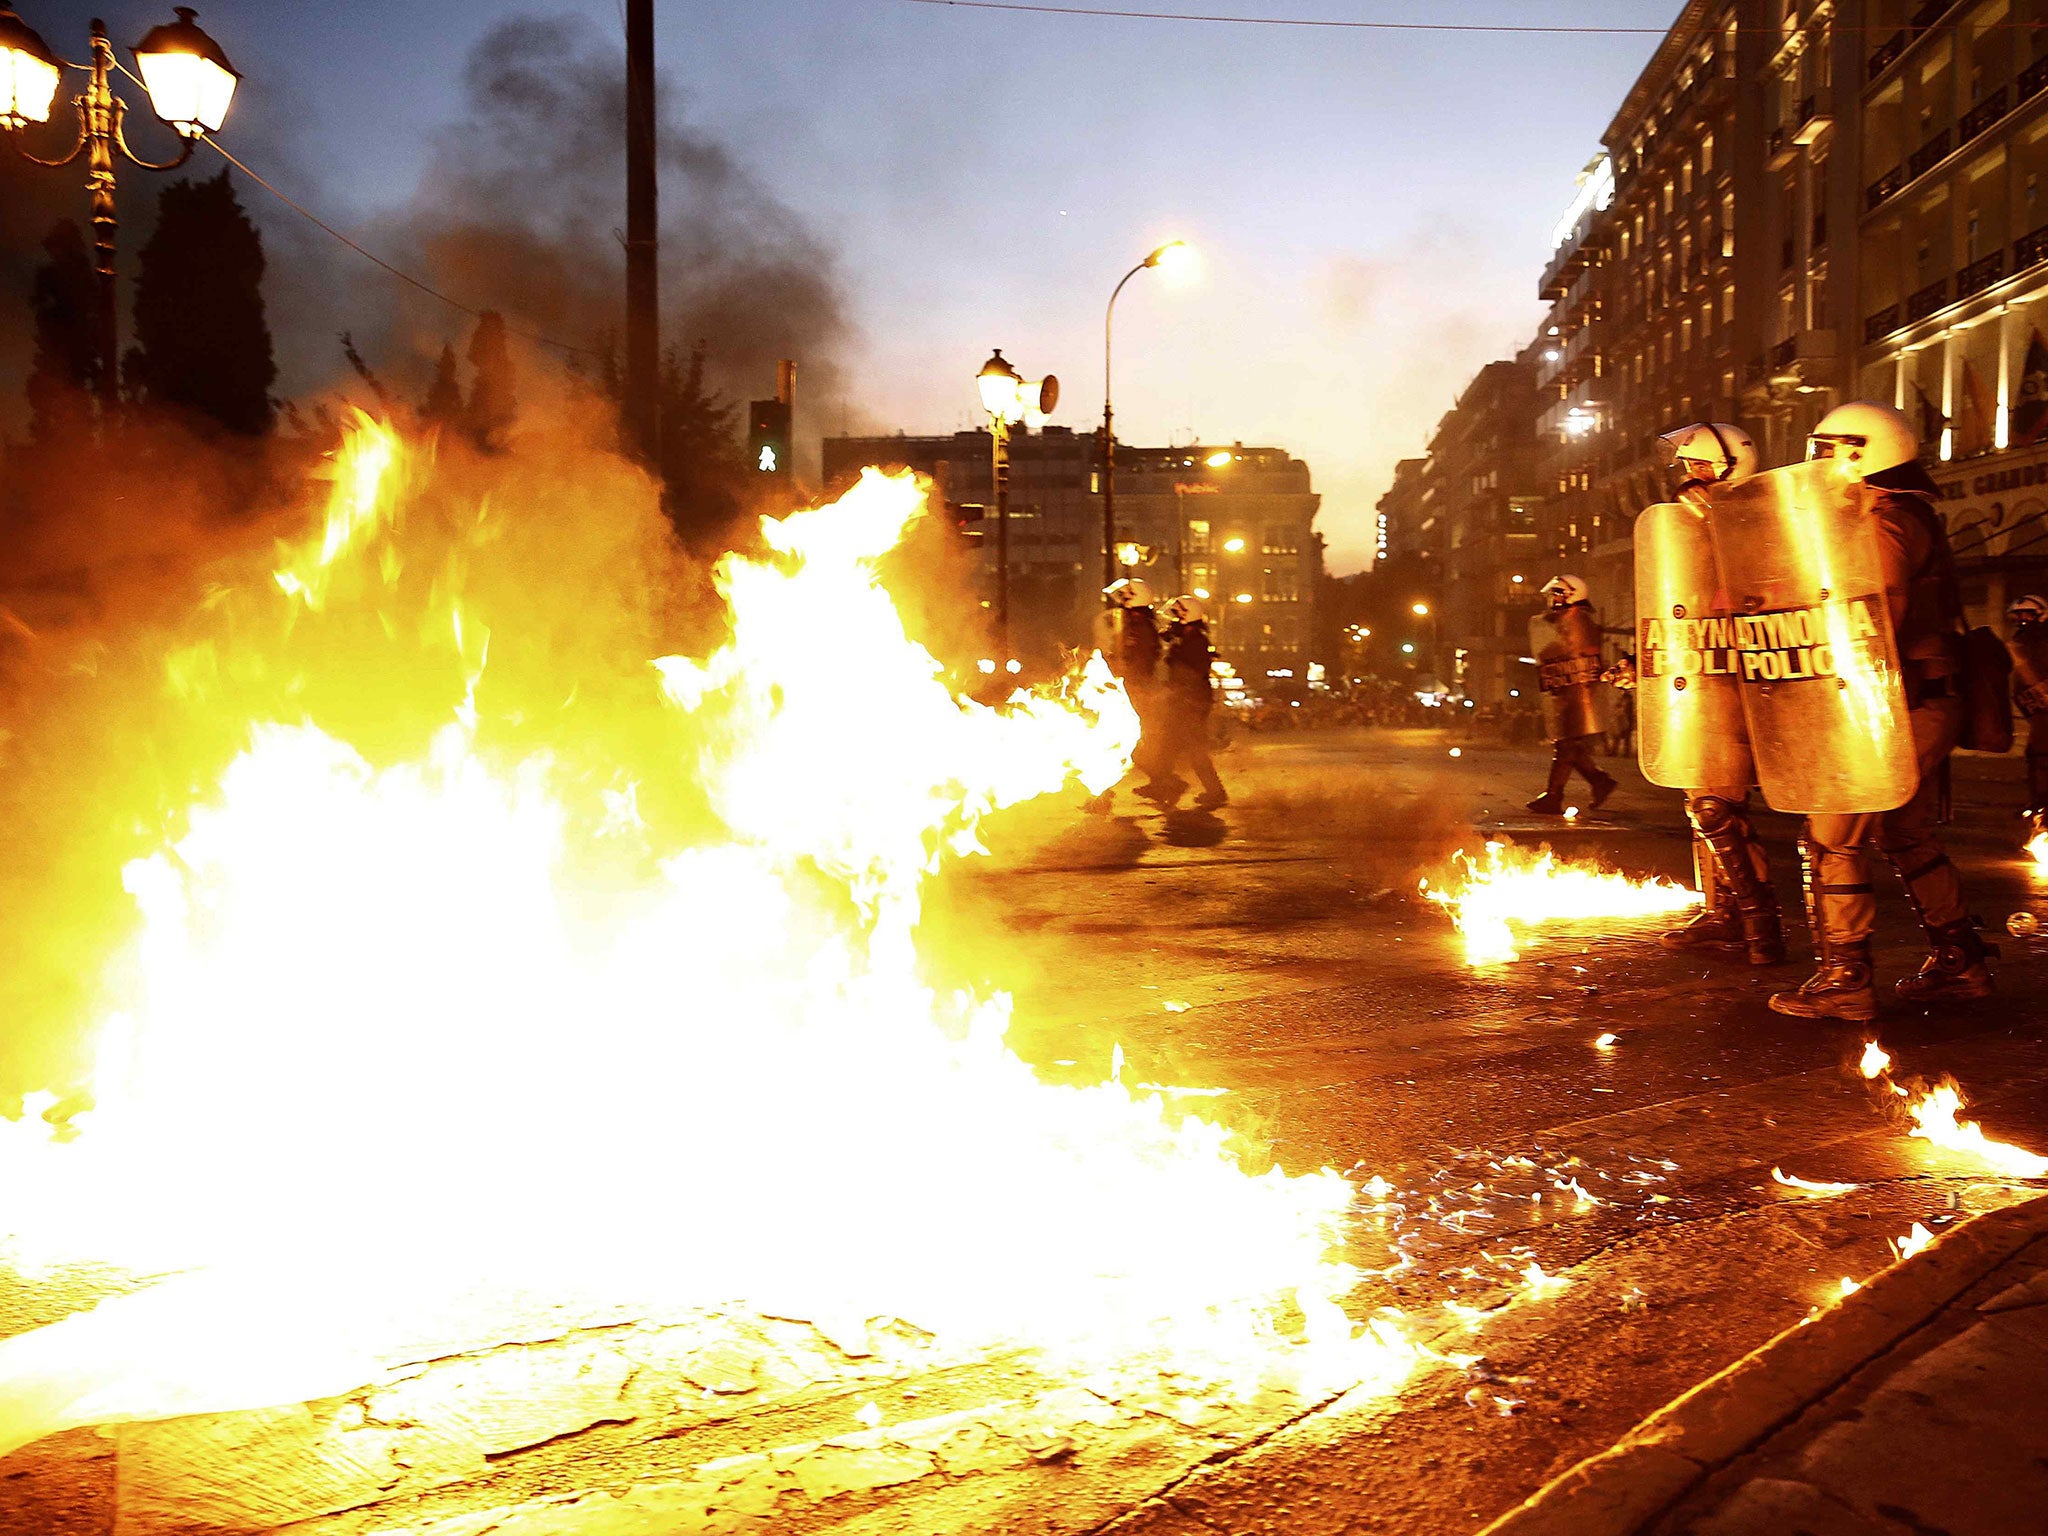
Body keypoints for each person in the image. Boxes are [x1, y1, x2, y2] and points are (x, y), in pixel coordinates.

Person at [1769, 401, 1993, 1020]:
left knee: (1833, 833)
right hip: (1919, 698)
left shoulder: (1883, 524)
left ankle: (1847, 977)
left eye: (1825, 450)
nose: (1815, 464)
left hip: (1892, 702)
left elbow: (1869, 617)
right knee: (1905, 833)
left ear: (1863, 452)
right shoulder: (1901, 514)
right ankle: (1961, 963)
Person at [1647, 422, 1785, 966]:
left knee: (1717, 807)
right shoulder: (1688, 531)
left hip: (1747, 679)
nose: (1689, 478)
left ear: (1732, 466)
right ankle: (1723, 912)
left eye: (1700, 467)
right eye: (1686, 468)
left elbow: (1772, 594)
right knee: (1699, 803)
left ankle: (1757, 925)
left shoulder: (1760, 521)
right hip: (1706, 676)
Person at [1528, 574, 1616, 815]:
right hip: (1567, 691)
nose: (1552, 598)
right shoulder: (1562, 619)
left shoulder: (1579, 620)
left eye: (1557, 593)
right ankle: (1599, 782)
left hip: (1579, 692)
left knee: (1567, 746)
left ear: (1571, 595)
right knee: (1568, 746)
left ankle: (1555, 796)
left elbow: (1570, 651)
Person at [1089, 577, 1165, 809]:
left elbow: (1139, 662)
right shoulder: (1133, 625)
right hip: (1126, 690)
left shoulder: (1140, 629)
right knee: (1112, 741)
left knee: (1120, 742)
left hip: (1133, 691)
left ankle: (1164, 782)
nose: (1120, 602)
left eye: (1124, 597)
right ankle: (1102, 794)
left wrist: (1119, 670)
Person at [1151, 594, 1228, 810]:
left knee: (1194, 749)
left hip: (1191, 703)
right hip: (1185, 701)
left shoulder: (1195, 641)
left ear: (1186, 616)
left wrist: (1174, 690)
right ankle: (1165, 785)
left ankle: (1215, 792)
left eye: (1176, 615)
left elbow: (1191, 674)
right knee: (1168, 744)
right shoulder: (1188, 638)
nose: (1172, 620)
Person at [2006, 593, 2048, 839]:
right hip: (2036, 710)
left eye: (2028, 614)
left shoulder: (2039, 639)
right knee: (2036, 758)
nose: (2023, 619)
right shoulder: (2022, 640)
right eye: (2020, 614)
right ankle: (2039, 812)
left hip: (2043, 709)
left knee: (2041, 759)